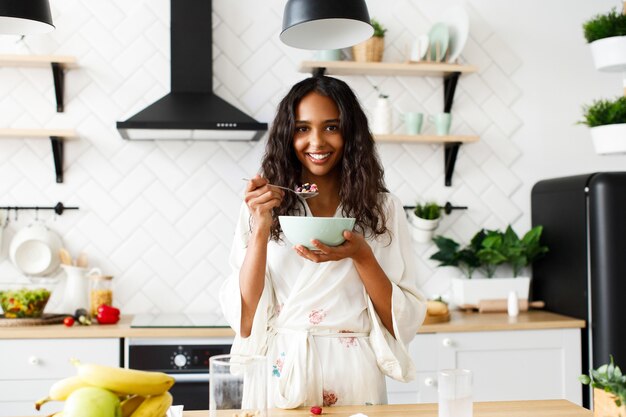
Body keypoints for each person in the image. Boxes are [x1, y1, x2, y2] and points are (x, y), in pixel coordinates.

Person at [220, 75, 426, 409]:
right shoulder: (262, 206)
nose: (316, 142)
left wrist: (362, 256)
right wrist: (260, 229)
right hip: (281, 370)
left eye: (331, 127)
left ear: (351, 133)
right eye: (302, 128)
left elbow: (401, 321)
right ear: (288, 135)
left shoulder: (383, 208)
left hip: (353, 373)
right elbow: (245, 321)